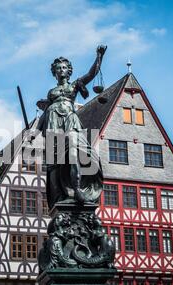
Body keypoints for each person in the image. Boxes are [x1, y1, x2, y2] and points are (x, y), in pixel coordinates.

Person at [35, 45, 107, 208]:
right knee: (54, 163)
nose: (61, 69)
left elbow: (91, 74)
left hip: (70, 120)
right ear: (54, 72)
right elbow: (46, 112)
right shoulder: (51, 92)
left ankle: (76, 188)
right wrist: (35, 131)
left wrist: (99, 57)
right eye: (58, 68)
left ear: (69, 71)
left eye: (64, 67)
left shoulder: (75, 85)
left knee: (74, 149)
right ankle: (59, 197)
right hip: (53, 122)